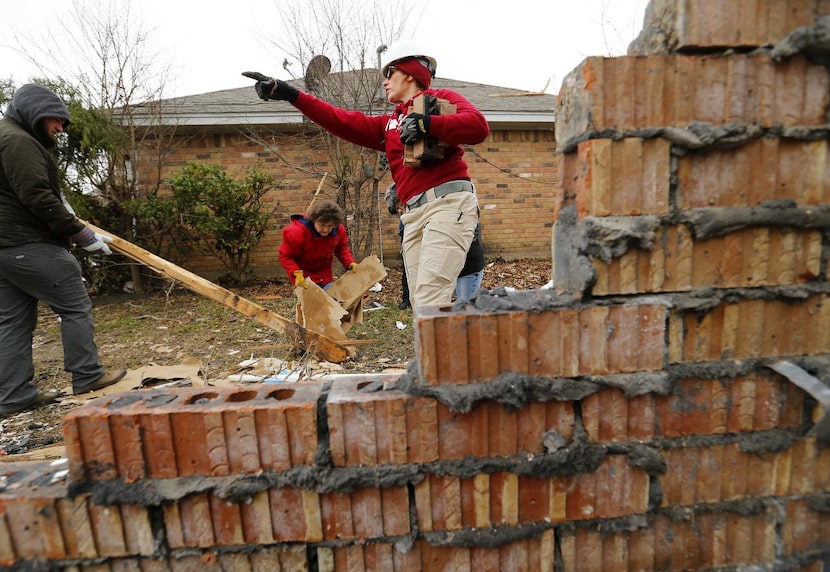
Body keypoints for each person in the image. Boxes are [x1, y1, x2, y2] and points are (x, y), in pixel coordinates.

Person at [245, 39, 489, 307]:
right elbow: (339, 119)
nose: (384, 81)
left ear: (409, 73)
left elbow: (477, 125)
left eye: (389, 73)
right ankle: (432, 349)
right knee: (422, 303)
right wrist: (291, 94)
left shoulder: (440, 99)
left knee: (431, 298)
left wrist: (427, 123)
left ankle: (443, 348)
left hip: (447, 205)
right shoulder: (389, 124)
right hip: (414, 213)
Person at [0, 83, 126, 416]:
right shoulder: (18, 140)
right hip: (25, 241)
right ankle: (88, 374)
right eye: (56, 120)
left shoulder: (8, 136)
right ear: (33, 113)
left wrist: (65, 208)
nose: (60, 128)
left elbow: (22, 191)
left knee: (12, 321)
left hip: (5, 249)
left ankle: (13, 396)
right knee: (74, 304)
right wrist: (80, 233)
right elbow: (36, 196)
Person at [387, 183, 483, 308]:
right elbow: (410, 267)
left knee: (467, 310)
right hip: (442, 270)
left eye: (399, 206)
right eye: (397, 210)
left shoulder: (443, 209)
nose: (400, 211)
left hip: (467, 268)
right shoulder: (410, 224)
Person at [279, 199, 357, 289]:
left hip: (324, 275)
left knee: (331, 299)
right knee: (311, 302)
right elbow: (285, 256)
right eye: (322, 225)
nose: (326, 230)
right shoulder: (297, 233)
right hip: (303, 276)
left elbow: (341, 248)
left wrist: (349, 262)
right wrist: (295, 273)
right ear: (314, 220)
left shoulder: (338, 230)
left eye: (330, 226)